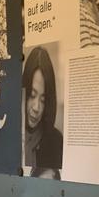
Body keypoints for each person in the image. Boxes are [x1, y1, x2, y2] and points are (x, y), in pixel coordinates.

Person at [22, 46, 63, 174]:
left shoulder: (56, 142)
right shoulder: (9, 133)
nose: (36, 108)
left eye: (43, 100)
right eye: (32, 95)